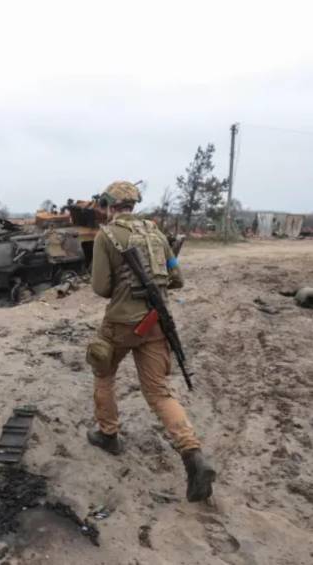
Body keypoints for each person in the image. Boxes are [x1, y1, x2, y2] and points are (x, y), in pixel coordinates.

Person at [85, 180, 215, 502]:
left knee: (104, 373)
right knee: (158, 391)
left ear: (109, 205)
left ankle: (108, 434)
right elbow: (177, 278)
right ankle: (192, 454)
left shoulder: (107, 235)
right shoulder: (157, 234)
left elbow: (100, 288)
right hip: (156, 323)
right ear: (134, 204)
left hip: (120, 324)